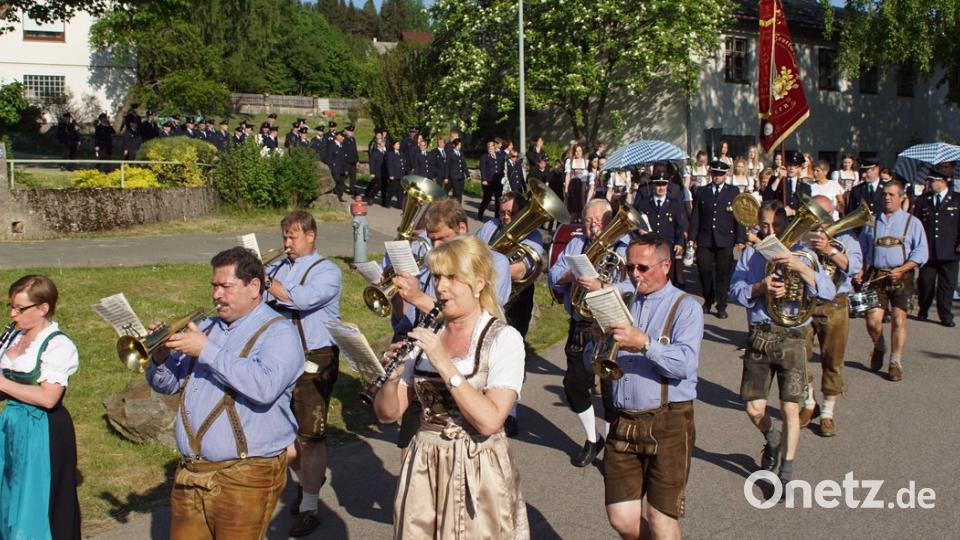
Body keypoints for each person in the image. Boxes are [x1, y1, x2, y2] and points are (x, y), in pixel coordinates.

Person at [373, 236, 528, 539]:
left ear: (479, 282)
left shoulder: (503, 339)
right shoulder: (429, 333)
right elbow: (387, 414)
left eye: (452, 278)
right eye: (437, 277)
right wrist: (390, 379)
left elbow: (489, 420)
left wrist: (444, 362)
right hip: (424, 463)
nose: (440, 287)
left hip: (477, 466)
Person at [146, 247, 304, 539]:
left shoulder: (279, 333)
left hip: (246, 474)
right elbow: (167, 385)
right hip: (191, 473)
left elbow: (264, 387)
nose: (217, 295)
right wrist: (158, 358)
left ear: (254, 287)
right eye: (214, 286)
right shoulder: (208, 328)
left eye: (225, 287)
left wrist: (206, 350)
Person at [595, 234, 702, 540]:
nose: (635, 275)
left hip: (668, 420)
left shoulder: (685, 307)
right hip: (623, 419)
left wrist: (643, 343)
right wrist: (598, 340)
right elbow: (598, 360)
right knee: (622, 518)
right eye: (630, 268)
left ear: (666, 265)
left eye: (643, 267)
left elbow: (684, 364)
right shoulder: (623, 300)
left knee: (659, 517)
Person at [387, 199, 513, 446]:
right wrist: (395, 296)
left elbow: (478, 314)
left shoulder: (494, 262)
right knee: (408, 444)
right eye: (431, 240)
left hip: (468, 374)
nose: (435, 246)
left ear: (462, 229)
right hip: (423, 361)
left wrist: (418, 297)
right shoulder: (432, 265)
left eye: (442, 239)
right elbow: (408, 322)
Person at [729, 201, 836, 488]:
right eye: (765, 226)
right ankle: (772, 438)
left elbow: (828, 291)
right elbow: (735, 290)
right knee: (754, 409)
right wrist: (760, 287)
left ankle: (786, 470)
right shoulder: (751, 253)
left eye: (776, 226)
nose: (770, 232)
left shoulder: (805, 254)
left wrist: (801, 268)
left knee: (790, 407)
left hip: (793, 337)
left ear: (787, 224)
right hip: (761, 333)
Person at [263, 211, 342, 537]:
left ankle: (310, 505)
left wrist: (267, 282)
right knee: (281, 433)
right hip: (281, 356)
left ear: (310, 236)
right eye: (284, 237)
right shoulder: (278, 267)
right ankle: (309, 482)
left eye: (292, 237)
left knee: (309, 436)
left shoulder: (328, 271)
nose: (286, 244)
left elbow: (301, 299)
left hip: (316, 357)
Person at [548, 199, 634, 467]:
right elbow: (554, 274)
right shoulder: (577, 244)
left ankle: (610, 445)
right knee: (573, 385)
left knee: (610, 389)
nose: (593, 225)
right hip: (581, 322)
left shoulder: (624, 245)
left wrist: (601, 284)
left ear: (610, 221)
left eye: (599, 220)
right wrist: (571, 276)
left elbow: (633, 284)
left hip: (609, 323)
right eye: (588, 220)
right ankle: (591, 438)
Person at [0, 275, 81, 539]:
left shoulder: (58, 345)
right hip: (12, 424)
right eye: (11, 307)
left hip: (42, 429)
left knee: (36, 502)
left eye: (20, 309)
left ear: (43, 308)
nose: (13, 314)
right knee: (9, 493)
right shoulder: (14, 338)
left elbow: (48, 398)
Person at [800, 196, 862, 437]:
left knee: (833, 360)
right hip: (806, 303)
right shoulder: (803, 235)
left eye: (821, 213)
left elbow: (854, 267)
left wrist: (828, 249)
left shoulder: (846, 237)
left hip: (836, 303)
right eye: (812, 213)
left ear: (833, 213)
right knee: (800, 357)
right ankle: (808, 402)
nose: (816, 219)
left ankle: (827, 413)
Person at [859, 181, 928, 381]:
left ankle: (895, 361)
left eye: (891, 194)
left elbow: (921, 251)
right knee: (872, 320)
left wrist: (903, 269)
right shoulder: (872, 221)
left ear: (901, 197)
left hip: (902, 276)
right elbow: (863, 248)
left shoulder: (912, 222)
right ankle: (879, 346)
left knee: (898, 319)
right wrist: (859, 270)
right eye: (884, 194)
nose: (887, 198)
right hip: (878, 275)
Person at [689, 161, 746, 318]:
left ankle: (721, 305)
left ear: (726, 175)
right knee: (704, 270)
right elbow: (696, 216)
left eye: (721, 174)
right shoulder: (702, 191)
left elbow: (739, 217)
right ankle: (708, 299)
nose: (717, 177)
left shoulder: (733, 192)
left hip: (725, 238)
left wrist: (741, 238)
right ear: (710, 174)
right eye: (715, 174)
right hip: (705, 237)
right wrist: (692, 238)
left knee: (723, 273)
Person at [913, 167, 960, 327]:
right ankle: (923, 308)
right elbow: (916, 224)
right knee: (925, 282)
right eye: (930, 181)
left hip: (950, 250)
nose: (930, 184)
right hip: (929, 250)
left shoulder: (957, 199)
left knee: (947, 285)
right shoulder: (923, 200)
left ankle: (945, 315)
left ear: (944, 182)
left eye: (933, 181)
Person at [636, 172, 689, 288]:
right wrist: (640, 231)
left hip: (668, 246)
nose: (661, 188)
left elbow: (679, 226)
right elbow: (636, 223)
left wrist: (679, 243)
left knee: (668, 276)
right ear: (653, 186)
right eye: (658, 185)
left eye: (663, 185)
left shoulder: (674, 204)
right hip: (650, 246)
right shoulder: (644, 203)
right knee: (651, 275)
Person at [478, 141, 502, 221]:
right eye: (489, 148)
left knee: (498, 200)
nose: (490, 150)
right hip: (488, 182)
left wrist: (503, 174)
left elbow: (500, 167)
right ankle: (480, 213)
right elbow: (483, 169)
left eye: (492, 148)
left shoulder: (498, 156)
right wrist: (484, 179)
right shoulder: (484, 157)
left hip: (498, 181)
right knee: (487, 199)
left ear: (495, 148)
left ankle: (497, 217)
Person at [564, 145, 590, 220]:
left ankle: (581, 222)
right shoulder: (570, 161)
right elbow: (568, 175)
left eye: (579, 151)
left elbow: (589, 177)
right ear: (574, 152)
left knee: (582, 205)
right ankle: (572, 222)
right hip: (573, 185)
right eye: (576, 151)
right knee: (573, 206)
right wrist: (566, 189)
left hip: (583, 185)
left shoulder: (586, 162)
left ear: (582, 152)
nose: (578, 153)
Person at [365, 138, 388, 207]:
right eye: (382, 144)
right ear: (378, 145)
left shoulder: (385, 152)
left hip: (385, 172)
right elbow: (372, 163)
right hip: (378, 172)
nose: (383, 145)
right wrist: (372, 172)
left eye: (384, 143)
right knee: (378, 186)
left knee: (384, 187)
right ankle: (371, 196)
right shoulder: (375, 152)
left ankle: (384, 201)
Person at [446, 138, 469, 204]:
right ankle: (456, 207)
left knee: (459, 193)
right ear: (454, 145)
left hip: (461, 177)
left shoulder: (461, 153)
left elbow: (464, 165)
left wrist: (468, 175)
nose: (459, 147)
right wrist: (446, 177)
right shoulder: (450, 154)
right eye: (458, 145)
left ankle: (457, 208)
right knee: (457, 192)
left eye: (460, 145)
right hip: (453, 176)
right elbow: (447, 166)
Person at [384, 139, 406, 209]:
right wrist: (391, 175)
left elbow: (403, 165)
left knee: (400, 191)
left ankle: (399, 205)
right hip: (394, 175)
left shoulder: (401, 153)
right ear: (393, 145)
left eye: (399, 144)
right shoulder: (390, 154)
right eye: (397, 144)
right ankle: (387, 202)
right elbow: (389, 165)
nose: (398, 145)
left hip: (401, 175)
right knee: (392, 190)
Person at [342, 124, 359, 196]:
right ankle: (339, 187)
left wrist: (357, 160)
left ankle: (352, 189)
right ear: (346, 131)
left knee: (353, 176)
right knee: (345, 175)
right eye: (349, 131)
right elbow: (344, 151)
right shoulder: (344, 139)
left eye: (352, 131)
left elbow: (355, 150)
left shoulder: (353, 139)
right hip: (347, 161)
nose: (351, 133)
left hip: (353, 161)